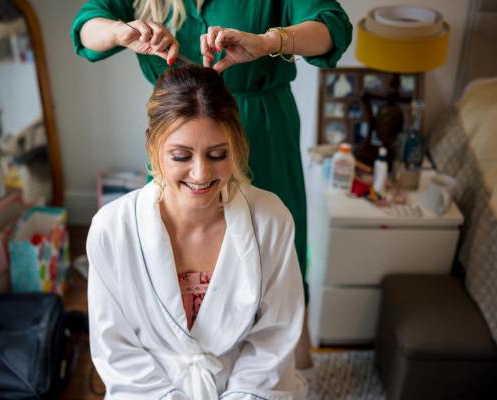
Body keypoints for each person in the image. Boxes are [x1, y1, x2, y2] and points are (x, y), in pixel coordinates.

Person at [72, 0, 352, 370]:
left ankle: (289, 367)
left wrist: (268, 42)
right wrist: (121, 32)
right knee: (174, 256)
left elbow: (332, 28)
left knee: (276, 255)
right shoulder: (117, 225)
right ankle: (186, 359)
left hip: (262, 127)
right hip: (178, 131)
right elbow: (86, 27)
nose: (205, 173)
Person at [86, 65, 307, 399]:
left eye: (217, 154)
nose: (201, 173)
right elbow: (117, 349)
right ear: (152, 147)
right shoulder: (112, 230)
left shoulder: (271, 220)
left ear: (237, 145)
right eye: (181, 156)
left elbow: (273, 341)